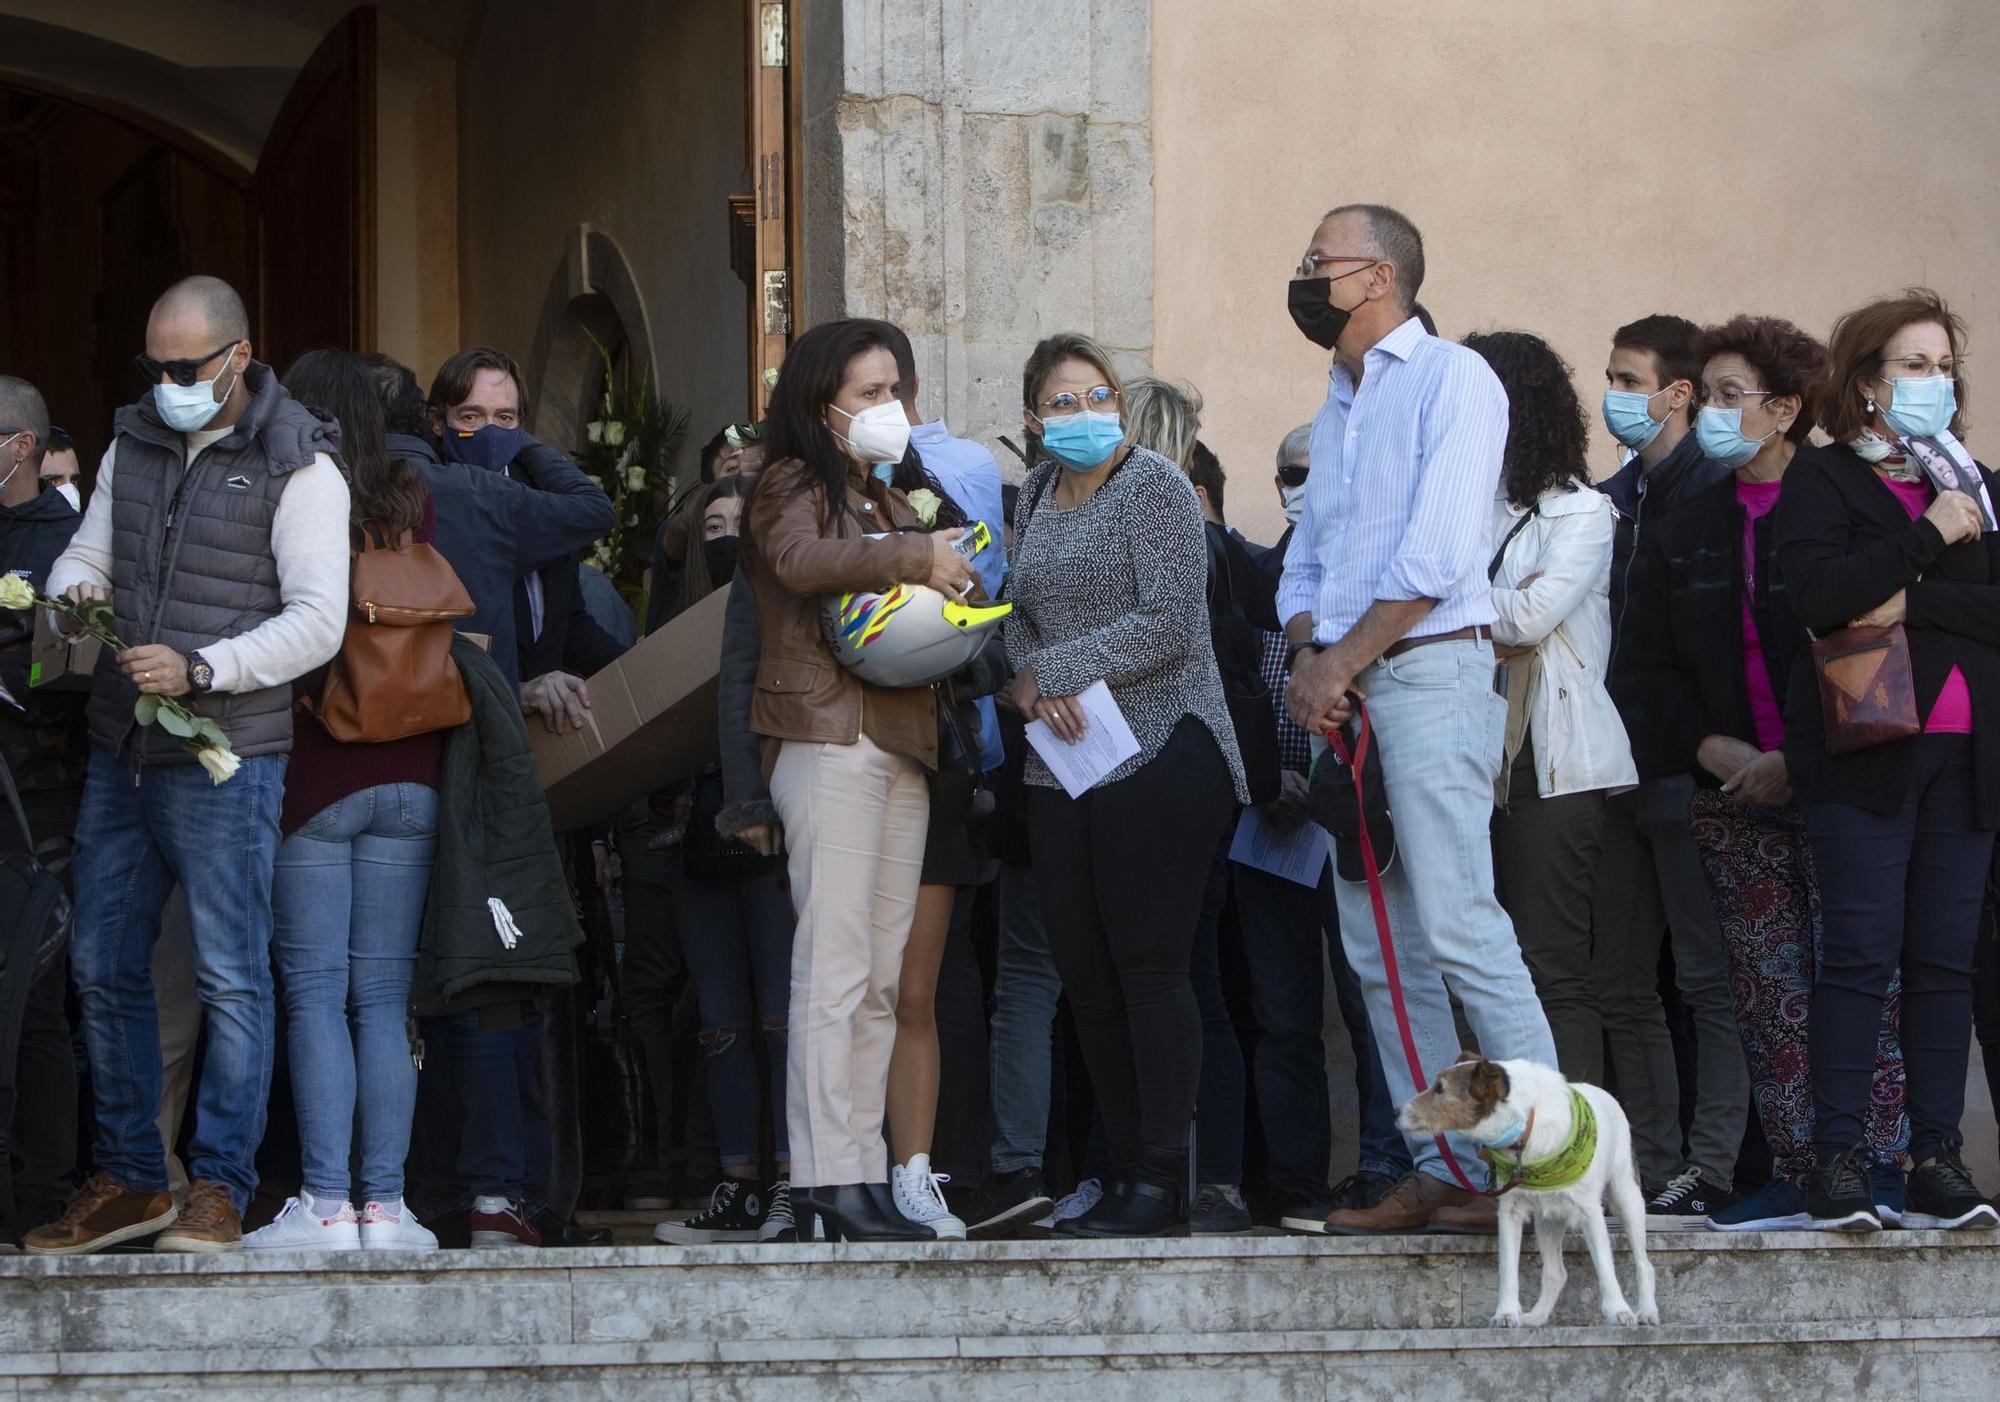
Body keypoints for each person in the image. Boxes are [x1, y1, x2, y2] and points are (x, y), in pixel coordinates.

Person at [27, 276, 350, 1255]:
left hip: (225, 759)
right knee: (102, 965)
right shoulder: (134, 443)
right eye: (154, 366)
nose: (167, 382)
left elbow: (318, 622)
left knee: (229, 978)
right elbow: (87, 556)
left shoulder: (303, 467)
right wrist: (75, 601)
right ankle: (132, 1178)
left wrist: (206, 667)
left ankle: (218, 1186)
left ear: (237, 357)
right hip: (124, 748)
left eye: (185, 367)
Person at [1278, 203, 1557, 1234]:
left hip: (1430, 675)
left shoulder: (1451, 379)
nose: (1304, 278)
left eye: (1319, 262)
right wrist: (1315, 655)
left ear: (1378, 277)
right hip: (1348, 689)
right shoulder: (1337, 404)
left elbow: (1438, 559)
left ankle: (1538, 1156)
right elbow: (1305, 563)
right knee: (1376, 945)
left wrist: (1337, 660)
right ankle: (1446, 1165)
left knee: (1458, 925)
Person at [1629, 315, 1911, 1233]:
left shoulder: (1844, 500)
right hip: (1731, 790)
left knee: (1862, 973)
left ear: (1785, 410)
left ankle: (1881, 1164)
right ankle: (1796, 1170)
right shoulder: (1689, 520)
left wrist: (1802, 754)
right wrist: (1712, 750)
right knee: (1766, 988)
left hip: (1843, 781)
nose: (1706, 412)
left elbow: (1882, 637)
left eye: (1726, 396)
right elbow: (1646, 666)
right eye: (1705, 393)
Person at [1004, 332, 1247, 1238]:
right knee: (1087, 975)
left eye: (1098, 397)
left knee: (1151, 969)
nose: (1084, 416)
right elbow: (1016, 616)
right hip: (1062, 760)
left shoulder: (1155, 488)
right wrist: (1030, 674)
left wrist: (1058, 670)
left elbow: (1173, 622)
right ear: (1034, 419)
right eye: (1063, 403)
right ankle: (1114, 1172)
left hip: (1164, 746)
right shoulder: (1032, 492)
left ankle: (1159, 1180)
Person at [741, 318, 974, 1242]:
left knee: (879, 975)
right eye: (869, 393)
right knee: (833, 967)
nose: (890, 410)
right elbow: (800, 563)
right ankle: (824, 1181)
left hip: (899, 740)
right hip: (825, 733)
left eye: (896, 392)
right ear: (818, 401)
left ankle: (863, 1173)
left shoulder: (885, 494)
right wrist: (919, 556)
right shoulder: (792, 482)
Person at [1775, 288, 2000, 1231]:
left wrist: (1906, 598)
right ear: (1866, 382)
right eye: (1915, 366)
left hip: (1969, 760)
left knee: (1945, 962)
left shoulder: (1975, 482)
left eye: (1944, 366)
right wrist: (1925, 541)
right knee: (1861, 957)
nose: (1934, 383)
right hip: (1865, 758)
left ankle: (1936, 1157)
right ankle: (1840, 1158)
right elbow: (1819, 597)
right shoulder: (1822, 481)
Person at [234, 351, 450, 1253]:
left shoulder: (290, 492)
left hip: (320, 769)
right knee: (383, 997)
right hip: (414, 770)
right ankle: (388, 1209)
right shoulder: (414, 498)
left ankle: (324, 1204)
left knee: (315, 994)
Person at [1592, 313, 1749, 1221]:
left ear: (1676, 392)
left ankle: (1713, 1162)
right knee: (1619, 980)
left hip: (1690, 773)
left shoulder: (1718, 494)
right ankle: (1648, 1165)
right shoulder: (1608, 500)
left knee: (1705, 978)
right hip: (1611, 771)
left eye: (1627, 378)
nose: (1612, 395)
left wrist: (1700, 747)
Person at [1242, 425, 1412, 1226]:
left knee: (1372, 1001)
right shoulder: (1258, 574)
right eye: (1289, 472)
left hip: (1353, 817)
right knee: (1282, 1019)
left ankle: (1385, 1166)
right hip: (1270, 825)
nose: (1300, 484)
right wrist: (1259, 774)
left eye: (1314, 471)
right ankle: (1296, 1180)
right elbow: (1235, 682)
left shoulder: (1376, 579)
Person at [1467, 331, 1636, 1085]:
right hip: (1471, 754)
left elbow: (1528, 618)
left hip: (1551, 764)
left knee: (1552, 966)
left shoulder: (1582, 513)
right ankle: (1501, 1159)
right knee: (1480, 968)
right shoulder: (1469, 505)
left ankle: (1573, 1158)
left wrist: (1437, 603)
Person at [1123, 378, 1268, 1236]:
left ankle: (1204, 1176)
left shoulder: (1185, 542)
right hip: (1170, 781)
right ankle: (1183, 1175)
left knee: (1187, 984)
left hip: (1170, 780)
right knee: (1175, 982)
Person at [651, 475, 800, 1246]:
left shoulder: (781, 597)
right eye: (712, 521)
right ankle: (739, 1181)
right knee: (720, 1024)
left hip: (770, 827)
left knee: (781, 1016)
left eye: (740, 522)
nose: (726, 534)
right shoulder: (672, 624)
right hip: (695, 837)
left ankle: (789, 1181)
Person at [0, 375, 84, 1248]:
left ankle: (40, 1193)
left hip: (42, 802)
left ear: (21, 447)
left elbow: (83, 671)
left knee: (36, 997)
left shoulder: (67, 544)